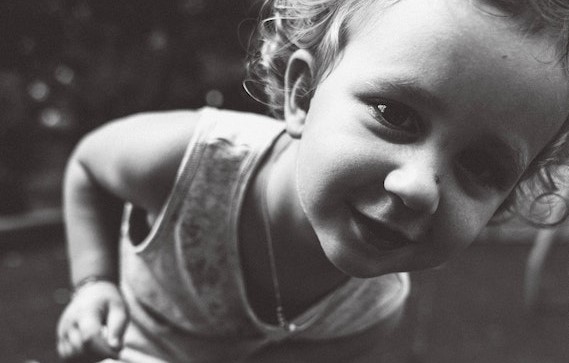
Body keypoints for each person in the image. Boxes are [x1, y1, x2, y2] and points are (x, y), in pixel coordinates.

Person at [56, 0, 569, 362]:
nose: (419, 186)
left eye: (481, 168)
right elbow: (88, 168)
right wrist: (93, 284)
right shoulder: (186, 160)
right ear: (302, 95)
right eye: (395, 114)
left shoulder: (369, 312)